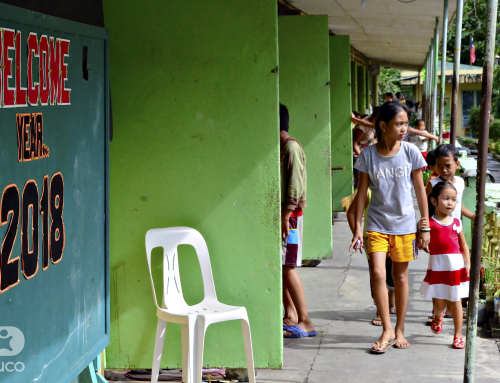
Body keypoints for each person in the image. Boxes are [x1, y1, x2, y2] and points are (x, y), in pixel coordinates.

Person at [349, 101, 430, 353]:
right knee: (377, 274)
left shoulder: (411, 152)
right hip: (376, 224)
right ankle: (386, 328)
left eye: (406, 123)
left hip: (405, 227)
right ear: (383, 126)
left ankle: (400, 329)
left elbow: (420, 190)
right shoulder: (368, 155)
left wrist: (424, 225)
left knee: (401, 277)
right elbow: (361, 194)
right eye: (399, 124)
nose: (404, 128)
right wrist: (358, 228)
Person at [425, 144, 476, 323]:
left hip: (455, 230)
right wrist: (424, 229)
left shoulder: (461, 182)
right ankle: (436, 312)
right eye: (439, 165)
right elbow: (425, 206)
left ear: (457, 164)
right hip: (439, 231)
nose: (443, 170)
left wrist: (471, 216)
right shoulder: (433, 183)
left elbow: (458, 203)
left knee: (456, 271)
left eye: (447, 165)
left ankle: (453, 307)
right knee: (438, 272)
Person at [279, 104, 316, 339]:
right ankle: (291, 315)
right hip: (287, 217)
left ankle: (306, 321)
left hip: (290, 219)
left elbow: (294, 187)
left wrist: (285, 215)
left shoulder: (290, 148)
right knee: (282, 267)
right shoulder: (283, 148)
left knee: (289, 267)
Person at [419, 181, 470, 349]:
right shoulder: (429, 224)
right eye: (446, 198)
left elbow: (463, 246)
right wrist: (421, 231)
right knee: (439, 303)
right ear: (434, 201)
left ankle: (457, 335)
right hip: (438, 267)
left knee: (456, 302)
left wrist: (467, 264)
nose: (450, 203)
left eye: (454, 199)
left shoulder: (456, 223)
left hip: (456, 268)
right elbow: (421, 245)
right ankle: (437, 316)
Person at [347, 190, 396, 326]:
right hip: (373, 239)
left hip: (396, 237)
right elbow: (351, 213)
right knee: (377, 274)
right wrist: (358, 235)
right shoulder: (367, 192)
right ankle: (381, 309)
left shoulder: (397, 186)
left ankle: (390, 300)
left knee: (393, 276)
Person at [351, 108, 378, 188]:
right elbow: (354, 143)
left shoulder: (374, 123)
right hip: (357, 155)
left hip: (366, 154)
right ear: (373, 116)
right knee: (359, 181)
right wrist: (361, 157)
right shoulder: (362, 127)